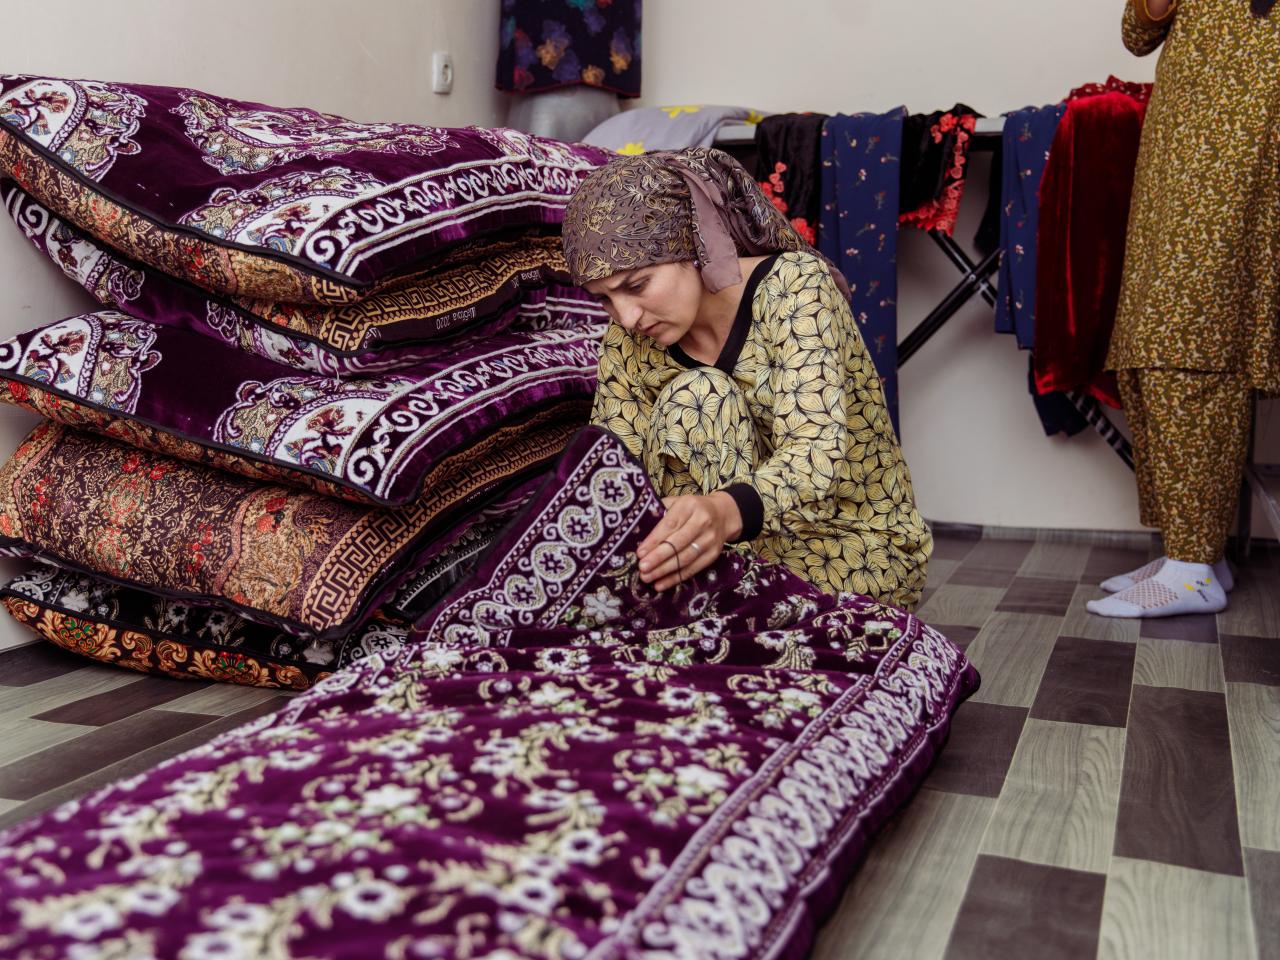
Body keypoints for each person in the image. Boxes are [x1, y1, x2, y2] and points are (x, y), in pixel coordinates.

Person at [561, 147, 932, 609]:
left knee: (700, 395)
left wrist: (720, 513)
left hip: (852, 546)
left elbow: (815, 452)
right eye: (605, 299)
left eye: (637, 285)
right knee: (697, 398)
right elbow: (615, 467)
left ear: (694, 247)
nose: (627, 315)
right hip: (721, 552)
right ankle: (714, 598)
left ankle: (713, 602)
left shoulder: (795, 287)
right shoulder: (629, 338)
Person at [1088, 0, 1279, 619]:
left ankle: (1193, 566)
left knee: (1190, 339)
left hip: (1246, 138)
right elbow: (1136, 34)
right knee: (1149, 338)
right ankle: (1196, 551)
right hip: (1178, 140)